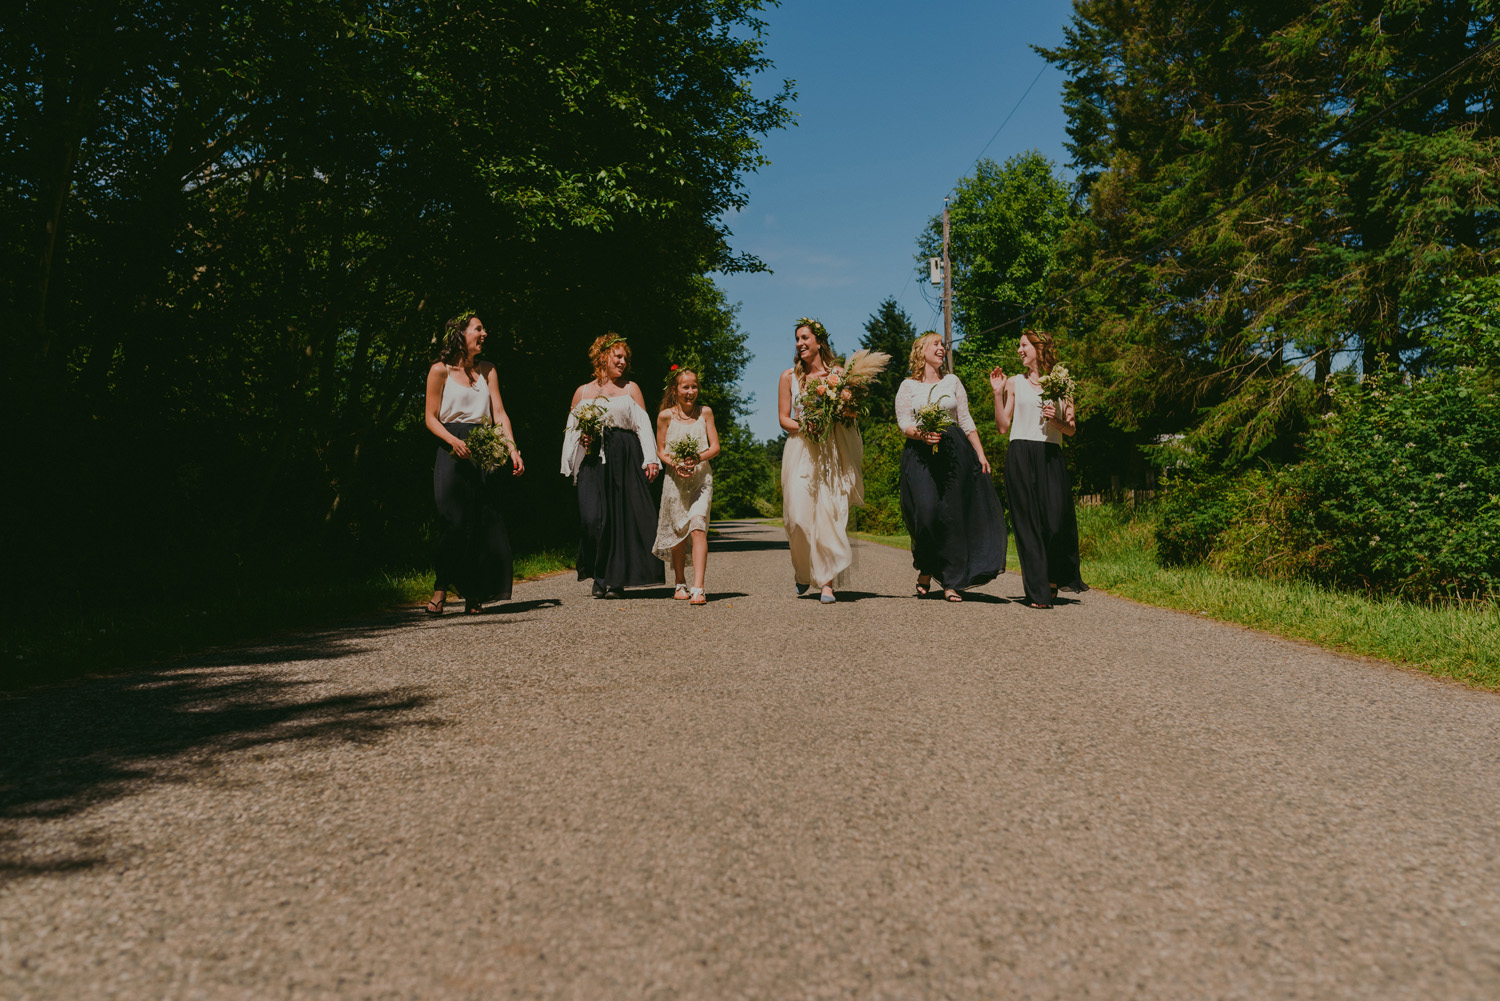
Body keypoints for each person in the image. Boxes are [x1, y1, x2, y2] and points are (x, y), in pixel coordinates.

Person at [423, 310, 524, 615]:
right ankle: (441, 587)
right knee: (453, 521)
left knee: (481, 521)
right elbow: (430, 417)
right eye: (478, 329)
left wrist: (512, 448)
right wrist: (453, 440)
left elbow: (500, 414)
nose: (484, 334)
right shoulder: (439, 371)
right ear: (460, 334)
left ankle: (473, 595)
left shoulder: (488, 370)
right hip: (451, 448)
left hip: (484, 448)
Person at [895, 333, 1006, 601]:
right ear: (921, 351)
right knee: (927, 512)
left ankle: (951, 581)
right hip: (920, 453)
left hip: (955, 451)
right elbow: (904, 422)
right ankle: (926, 565)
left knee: (953, 515)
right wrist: (921, 434)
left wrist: (980, 454)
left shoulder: (952, 381)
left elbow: (965, 419)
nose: (942, 348)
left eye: (943, 345)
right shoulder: (908, 386)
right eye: (936, 344)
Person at [989, 329, 1088, 609]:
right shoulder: (1014, 384)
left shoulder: (1062, 383)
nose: (1019, 351)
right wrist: (998, 394)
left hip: (1050, 455)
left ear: (1038, 347)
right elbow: (1002, 427)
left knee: (1056, 522)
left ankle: (1054, 575)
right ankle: (1037, 591)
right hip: (1020, 453)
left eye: (1023, 346)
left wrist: (1056, 419)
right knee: (1028, 525)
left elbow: (1071, 429)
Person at [561, 333, 662, 597]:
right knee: (591, 519)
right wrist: (579, 446)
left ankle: (612, 580)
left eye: (625, 358)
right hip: (593, 459)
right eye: (618, 356)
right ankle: (598, 571)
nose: (623, 361)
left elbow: (643, 426)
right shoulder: (582, 392)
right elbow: (571, 430)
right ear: (602, 356)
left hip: (624, 457)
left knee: (618, 521)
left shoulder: (631, 389)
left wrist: (650, 458)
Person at [778, 318, 864, 603]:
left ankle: (826, 583)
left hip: (830, 450)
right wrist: (805, 426)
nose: (800, 343)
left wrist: (844, 408)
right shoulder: (789, 377)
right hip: (800, 451)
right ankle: (803, 573)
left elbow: (850, 415)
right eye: (797, 339)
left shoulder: (838, 375)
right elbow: (783, 419)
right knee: (799, 519)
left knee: (830, 513)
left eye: (805, 338)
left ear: (819, 342)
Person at [653, 365, 720, 605]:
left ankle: (698, 588)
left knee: (698, 525)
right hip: (675, 480)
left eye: (694, 386)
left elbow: (715, 447)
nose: (690, 391)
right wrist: (675, 464)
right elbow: (660, 450)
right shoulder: (665, 416)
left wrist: (697, 459)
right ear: (675, 389)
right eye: (685, 387)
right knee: (679, 531)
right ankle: (679, 582)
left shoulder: (706, 413)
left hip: (701, 480)